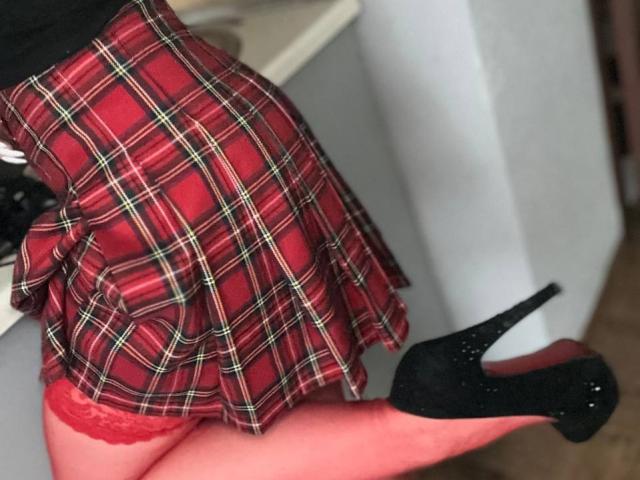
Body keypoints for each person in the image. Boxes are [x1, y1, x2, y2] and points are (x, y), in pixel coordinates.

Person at [0, 0, 618, 478]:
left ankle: (433, 417)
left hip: (150, 178)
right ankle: (495, 393)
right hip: (235, 122)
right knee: (282, 413)